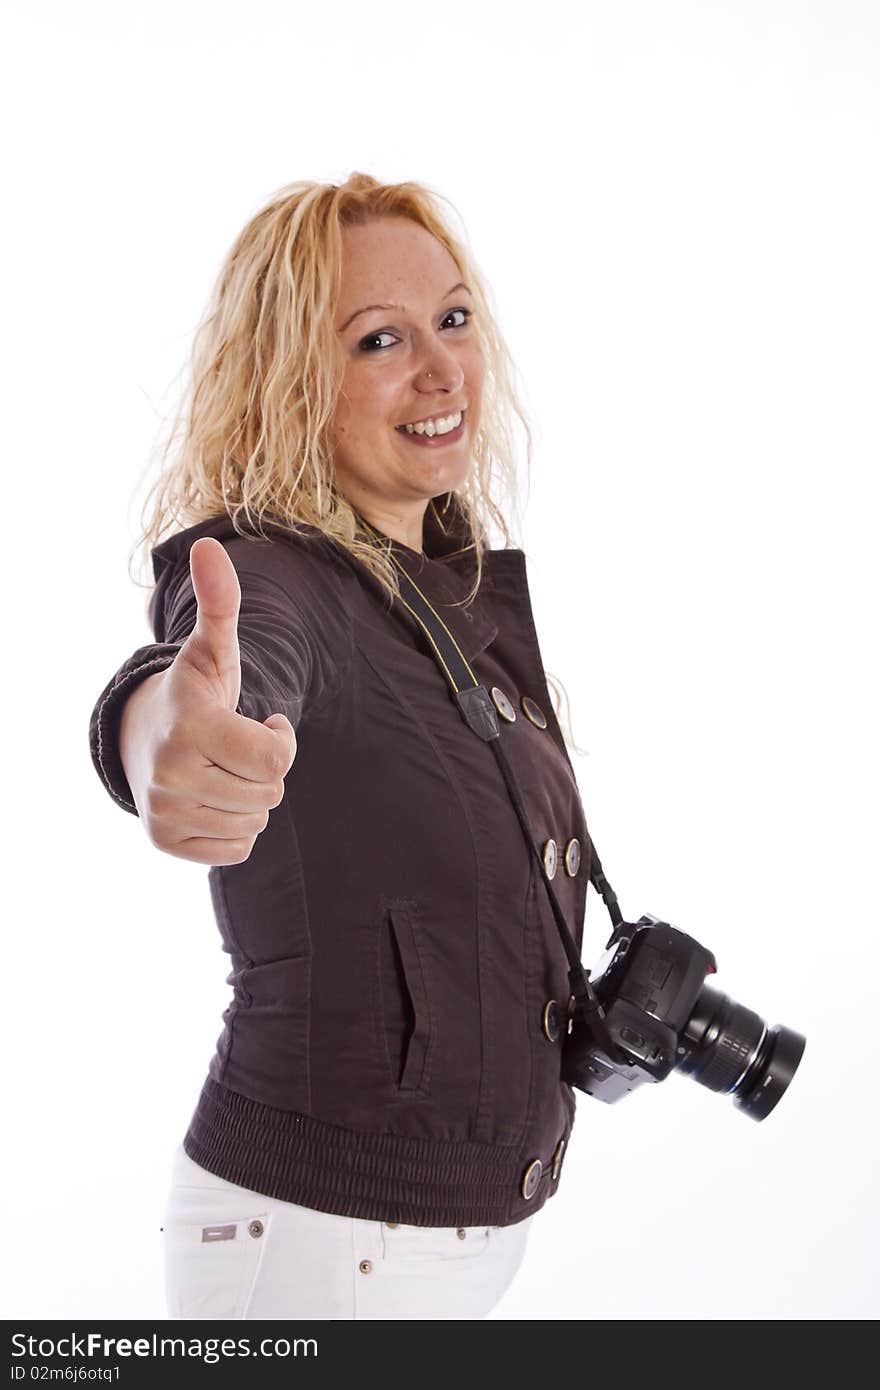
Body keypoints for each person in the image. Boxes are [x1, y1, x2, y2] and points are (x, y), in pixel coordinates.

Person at [88, 172, 592, 1321]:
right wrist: (158, 729)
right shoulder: (277, 571)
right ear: (290, 382)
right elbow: (214, 671)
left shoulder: (443, 596)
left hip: (422, 1250)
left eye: (453, 319)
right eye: (380, 339)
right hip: (323, 1248)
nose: (439, 369)